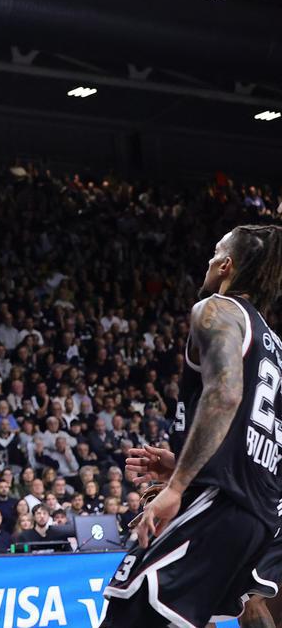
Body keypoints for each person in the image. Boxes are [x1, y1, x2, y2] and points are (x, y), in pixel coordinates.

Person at [103, 226, 282, 628]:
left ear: (226, 265)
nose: (207, 260)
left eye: (214, 251)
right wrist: (191, 464)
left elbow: (224, 394)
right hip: (260, 514)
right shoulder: (275, 345)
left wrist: (177, 487)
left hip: (223, 506)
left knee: (126, 613)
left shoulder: (217, 309)